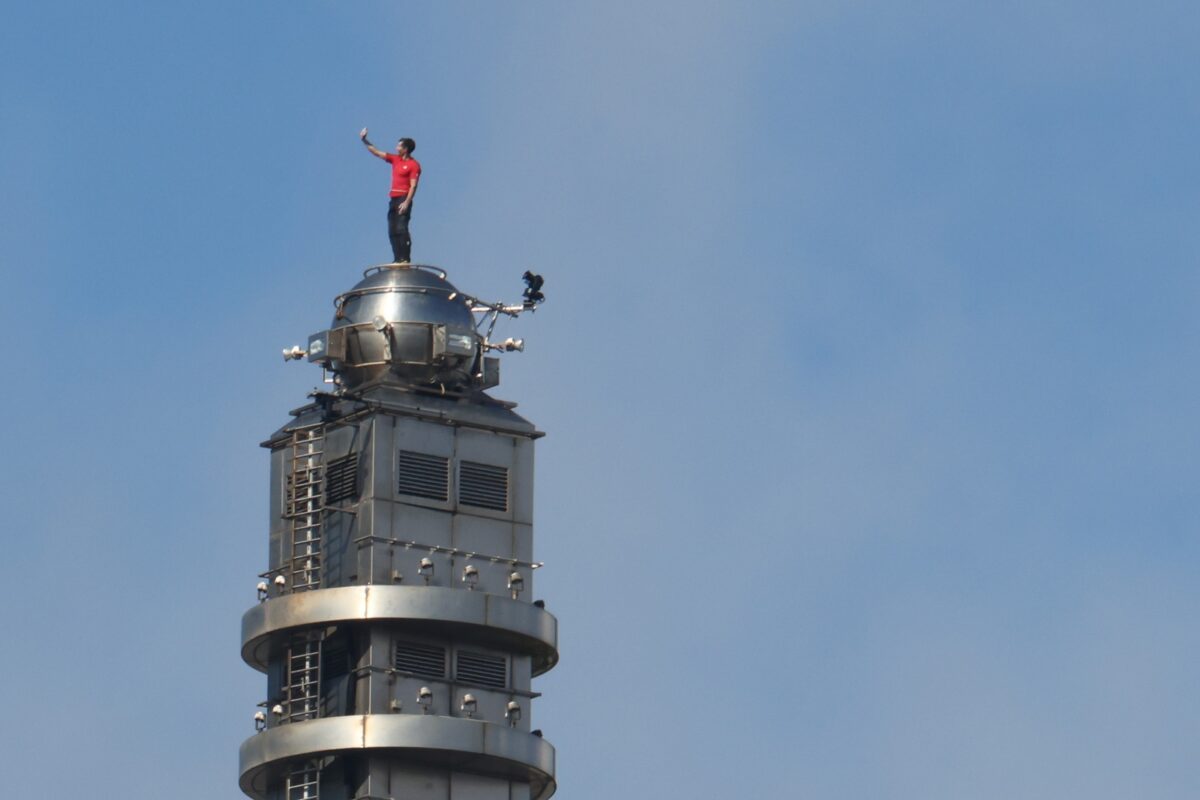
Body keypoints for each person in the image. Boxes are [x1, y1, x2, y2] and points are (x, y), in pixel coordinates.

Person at [360, 128, 422, 264]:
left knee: (401, 228)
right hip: (393, 198)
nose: (396, 147)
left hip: (403, 198)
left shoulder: (413, 165)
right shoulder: (396, 160)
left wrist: (407, 202)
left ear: (405, 149)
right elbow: (376, 152)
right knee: (392, 229)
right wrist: (364, 140)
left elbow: (413, 185)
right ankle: (397, 258)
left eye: (399, 145)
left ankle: (405, 258)